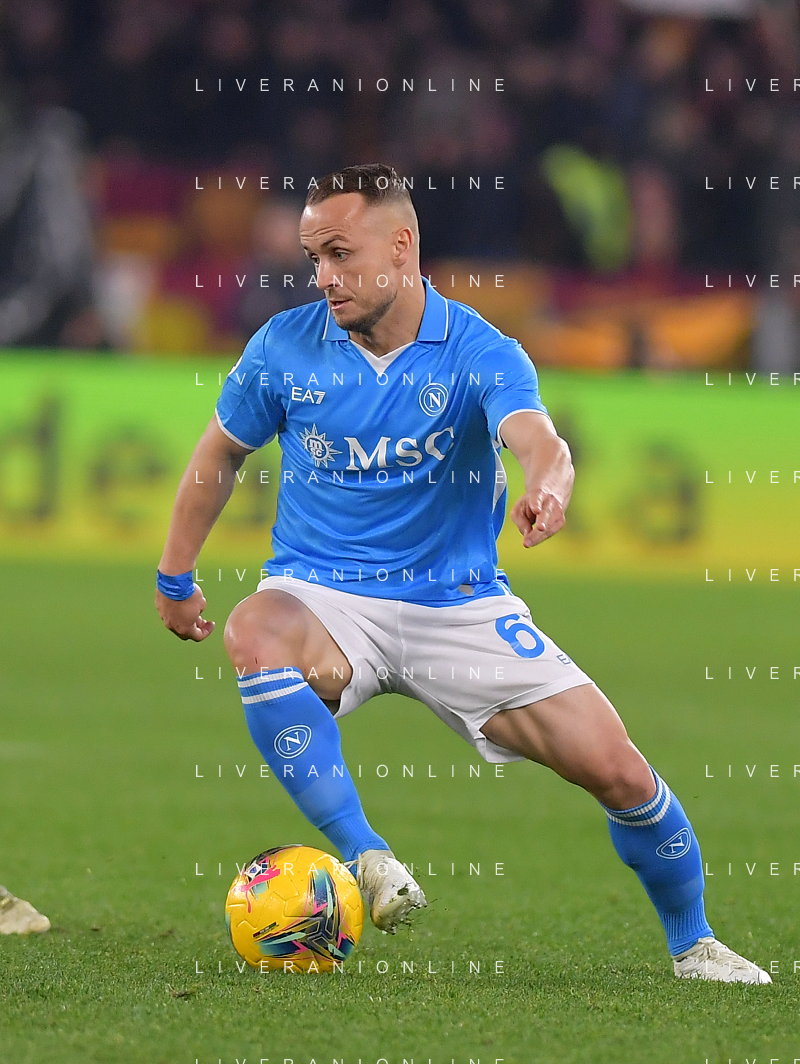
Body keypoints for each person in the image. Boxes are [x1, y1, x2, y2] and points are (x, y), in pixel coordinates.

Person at [155, 163, 768, 985]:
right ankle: (367, 856)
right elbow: (219, 454)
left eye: (340, 253)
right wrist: (175, 575)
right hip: (324, 596)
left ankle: (695, 943)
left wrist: (548, 485)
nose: (324, 277)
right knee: (253, 628)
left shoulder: (479, 349)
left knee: (619, 768)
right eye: (314, 259)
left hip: (457, 606)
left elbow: (539, 439)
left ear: (401, 245)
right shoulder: (283, 347)